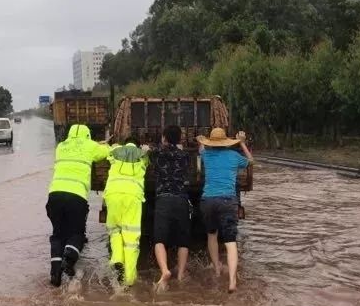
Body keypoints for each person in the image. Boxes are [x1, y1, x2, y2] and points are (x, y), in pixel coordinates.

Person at [47, 124, 112, 287]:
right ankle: (69, 260)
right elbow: (106, 152)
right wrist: (108, 144)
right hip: (76, 196)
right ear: (87, 135)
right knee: (76, 233)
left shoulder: (61, 147)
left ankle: (55, 273)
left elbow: (80, 147)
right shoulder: (90, 146)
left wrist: (97, 144)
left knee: (58, 234)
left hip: (54, 196)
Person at [197, 128, 253, 293]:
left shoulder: (207, 155)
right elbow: (251, 161)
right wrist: (242, 143)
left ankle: (216, 269)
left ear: (211, 143)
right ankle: (232, 282)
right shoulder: (234, 156)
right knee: (230, 242)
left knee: (212, 235)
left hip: (208, 201)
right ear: (226, 142)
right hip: (228, 201)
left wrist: (201, 141)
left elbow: (201, 149)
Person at [104, 136, 149, 286]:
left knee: (115, 230)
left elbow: (107, 152)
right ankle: (129, 280)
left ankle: (117, 259)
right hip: (133, 197)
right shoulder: (142, 155)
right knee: (131, 238)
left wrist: (115, 145)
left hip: (113, 194)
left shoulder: (116, 151)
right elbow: (147, 160)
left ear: (125, 144)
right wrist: (145, 150)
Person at [152, 125, 191, 291]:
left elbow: (149, 153)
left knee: (159, 239)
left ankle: (165, 271)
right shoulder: (185, 155)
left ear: (164, 138)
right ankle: (181, 274)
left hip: (163, 199)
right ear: (180, 138)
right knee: (183, 240)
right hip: (181, 199)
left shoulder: (157, 153)